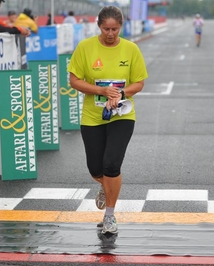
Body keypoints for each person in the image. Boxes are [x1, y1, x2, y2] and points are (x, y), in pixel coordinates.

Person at [68, 6, 148, 235]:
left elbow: (139, 83)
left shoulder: (131, 49)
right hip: (93, 116)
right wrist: (101, 91)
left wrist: (121, 94)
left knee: (112, 164)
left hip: (122, 115)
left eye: (115, 29)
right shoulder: (85, 48)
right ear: (98, 26)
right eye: (106, 29)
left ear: (121, 26)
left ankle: (110, 216)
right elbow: (74, 81)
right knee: (95, 167)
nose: (111, 33)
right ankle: (105, 187)